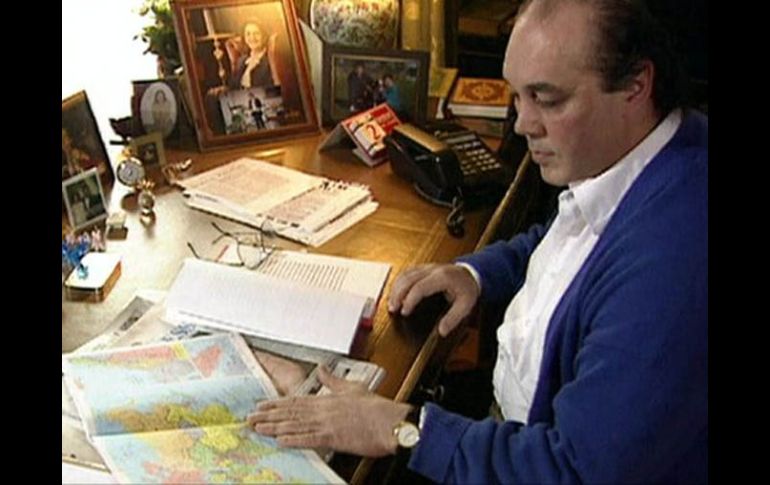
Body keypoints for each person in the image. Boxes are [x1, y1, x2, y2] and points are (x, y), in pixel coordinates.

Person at [247, 0, 707, 483]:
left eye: (547, 100)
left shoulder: (673, 265)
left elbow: (574, 471)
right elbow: (568, 239)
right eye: (518, 96)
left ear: (636, 85)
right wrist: (475, 273)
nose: (523, 124)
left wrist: (402, 428)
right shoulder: (645, 156)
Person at [229, 21, 280, 90]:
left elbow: (272, 91)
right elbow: (233, 87)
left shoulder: (270, 61)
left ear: (264, 36)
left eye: (256, 33)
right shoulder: (241, 60)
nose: (252, 37)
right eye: (248, 34)